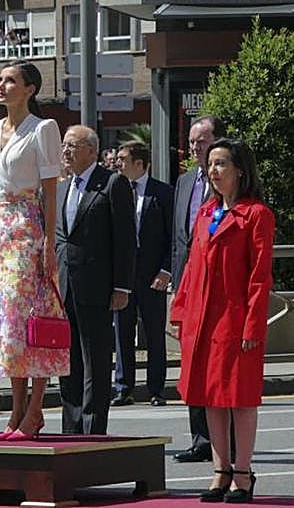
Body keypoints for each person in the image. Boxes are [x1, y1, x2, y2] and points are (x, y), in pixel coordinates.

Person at [170, 138, 273, 503]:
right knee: (210, 396)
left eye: (220, 164)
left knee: (240, 398)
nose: (212, 171)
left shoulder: (256, 214)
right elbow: (192, 268)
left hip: (234, 318)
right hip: (203, 318)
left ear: (240, 170)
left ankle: (243, 473)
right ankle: (220, 469)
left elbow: (260, 277)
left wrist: (252, 326)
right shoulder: (206, 213)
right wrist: (180, 311)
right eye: (210, 164)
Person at [0, 60, 68, 441]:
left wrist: (48, 244)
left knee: (31, 317)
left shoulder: (43, 129)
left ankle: (35, 409)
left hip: (27, 228)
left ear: (29, 89)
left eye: (11, 80)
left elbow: (50, 191)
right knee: (7, 323)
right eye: (0, 79)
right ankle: (15, 411)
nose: (2, 85)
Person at [55, 125, 136, 434]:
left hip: (97, 287)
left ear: (91, 150)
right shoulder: (62, 188)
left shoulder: (112, 184)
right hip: (64, 286)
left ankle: (93, 430)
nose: (66, 151)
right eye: (64, 145)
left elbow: (125, 240)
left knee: (96, 362)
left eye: (72, 146)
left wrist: (121, 286)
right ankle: (71, 428)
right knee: (68, 363)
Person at [171, 115, 226, 463]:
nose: (195, 148)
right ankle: (200, 439)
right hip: (186, 287)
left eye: (202, 141)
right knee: (191, 367)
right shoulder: (185, 182)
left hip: (216, 290)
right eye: (192, 142)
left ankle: (223, 441)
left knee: (215, 368)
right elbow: (179, 240)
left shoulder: (228, 186)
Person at [111, 141, 173, 407]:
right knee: (122, 332)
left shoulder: (162, 193)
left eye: (123, 159)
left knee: (155, 332)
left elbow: (173, 237)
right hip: (123, 277)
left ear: (140, 163)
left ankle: (157, 389)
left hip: (152, 276)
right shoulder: (115, 190)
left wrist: (166, 270)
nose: (118, 164)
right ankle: (123, 387)